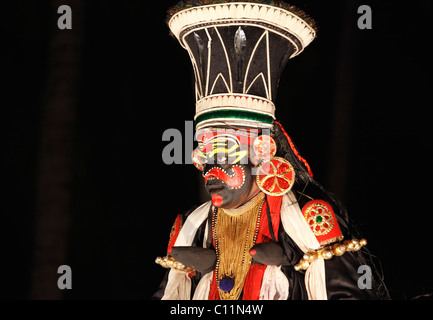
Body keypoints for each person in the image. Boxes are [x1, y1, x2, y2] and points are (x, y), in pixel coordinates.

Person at [153, 0, 389, 300]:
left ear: (261, 150)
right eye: (203, 154)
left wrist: (290, 258)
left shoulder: (307, 219)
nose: (210, 170)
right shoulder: (191, 226)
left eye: (225, 153)